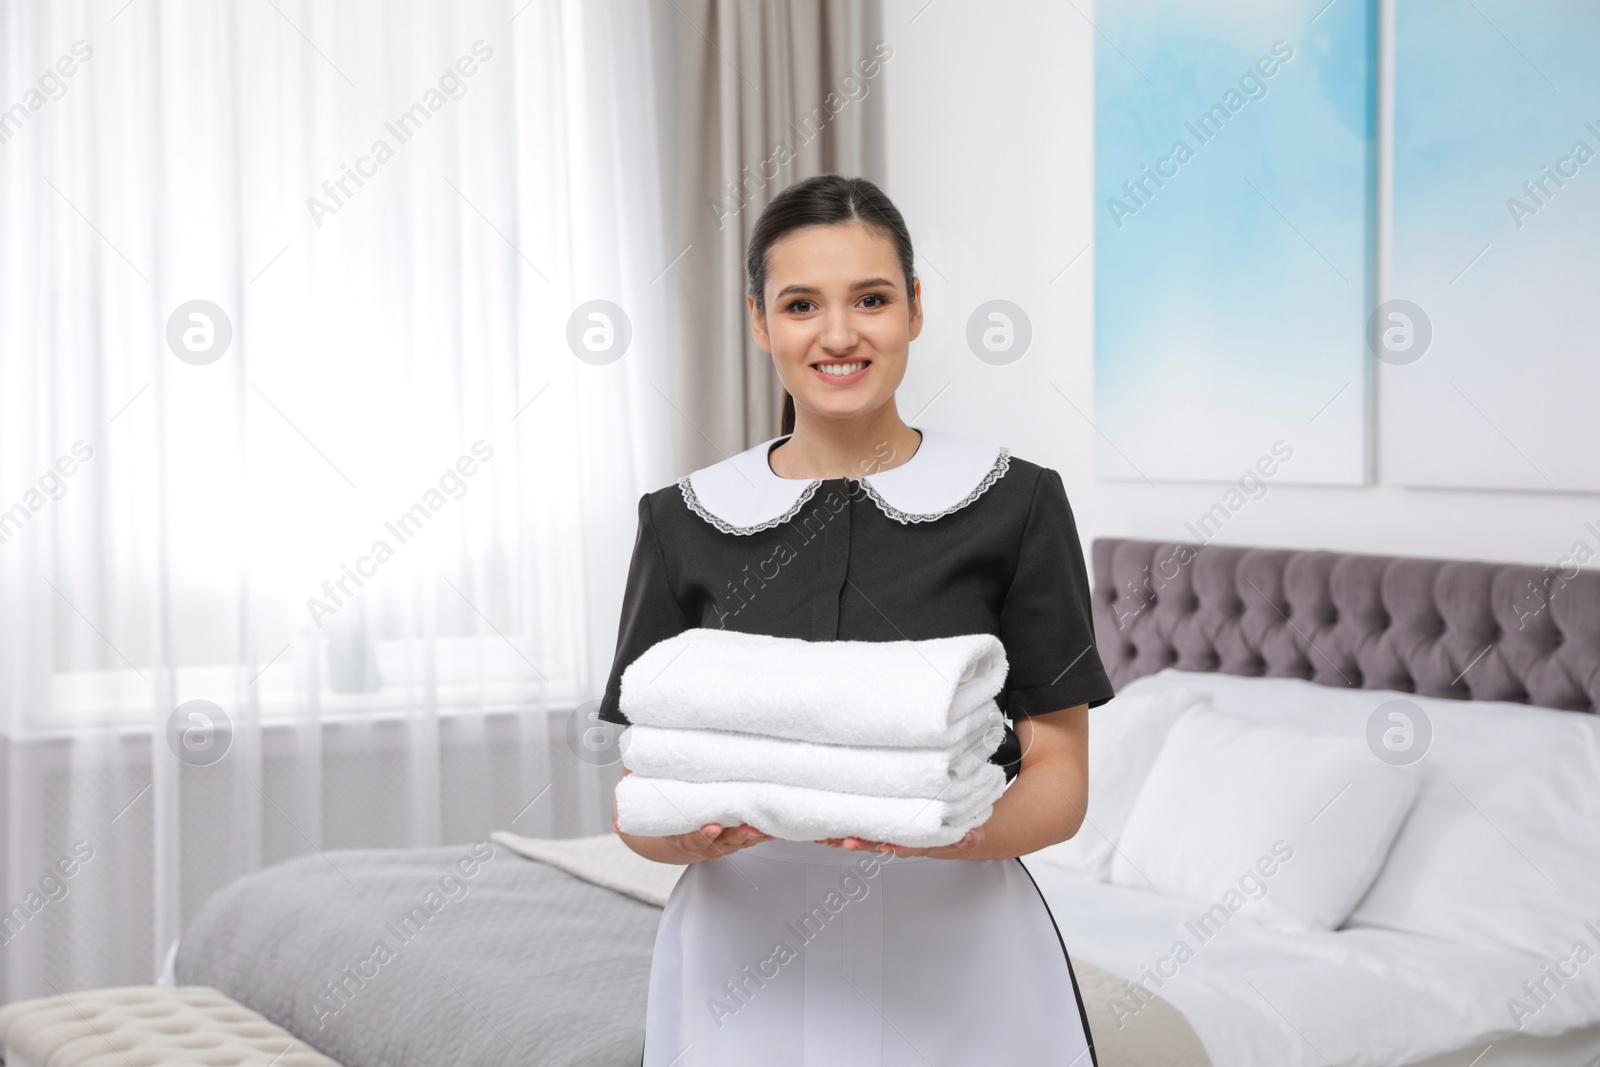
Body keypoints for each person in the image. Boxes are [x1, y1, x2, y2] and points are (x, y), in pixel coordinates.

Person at [598, 173, 1116, 1066]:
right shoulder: (682, 520)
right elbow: (641, 797)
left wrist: (935, 832)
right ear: (761, 322)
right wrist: (685, 832)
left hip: (957, 958)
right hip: (740, 959)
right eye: (802, 304)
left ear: (914, 309)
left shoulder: (1016, 503)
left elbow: (1060, 779)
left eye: (871, 299)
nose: (839, 334)